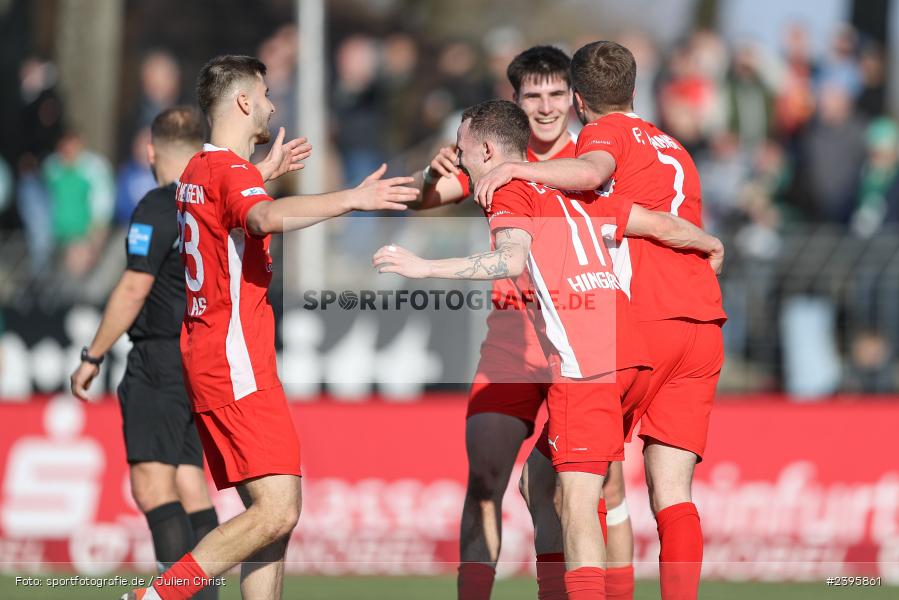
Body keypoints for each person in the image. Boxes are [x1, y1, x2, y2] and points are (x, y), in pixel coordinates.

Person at [372, 99, 722, 600]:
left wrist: (424, 267)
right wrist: (709, 243)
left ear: (487, 150)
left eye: (462, 149)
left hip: (588, 366)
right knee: (538, 479)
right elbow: (659, 225)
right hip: (635, 357)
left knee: (577, 500)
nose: (459, 159)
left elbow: (508, 259)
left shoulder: (507, 189)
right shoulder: (572, 189)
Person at [123, 55, 419, 600]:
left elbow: (224, 204)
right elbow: (262, 218)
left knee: (270, 521)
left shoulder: (197, 170)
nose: (272, 105)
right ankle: (155, 597)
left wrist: (261, 173)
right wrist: (353, 198)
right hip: (236, 362)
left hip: (213, 357)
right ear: (242, 101)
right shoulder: (231, 174)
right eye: (264, 95)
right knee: (279, 510)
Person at [475, 42, 727, 600]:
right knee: (672, 493)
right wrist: (710, 241)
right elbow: (660, 219)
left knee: (561, 479)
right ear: (635, 89)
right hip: (702, 324)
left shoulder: (605, 134)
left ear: (580, 101)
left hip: (642, 322)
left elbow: (592, 171)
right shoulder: (674, 146)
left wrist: (515, 166)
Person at [410, 46, 636, 599]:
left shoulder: (594, 158)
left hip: (584, 338)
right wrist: (431, 173)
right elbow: (424, 199)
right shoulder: (494, 157)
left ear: (574, 98)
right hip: (513, 340)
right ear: (514, 101)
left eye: (556, 93)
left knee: (600, 488)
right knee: (485, 477)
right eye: (533, 95)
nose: (546, 106)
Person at [70, 105, 307, 599]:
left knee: (153, 486)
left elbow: (134, 287)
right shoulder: (212, 196)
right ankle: (200, 595)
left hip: (161, 357)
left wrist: (93, 355)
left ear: (151, 151)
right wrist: (261, 173)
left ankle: (170, 594)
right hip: (204, 357)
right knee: (192, 484)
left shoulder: (161, 205)